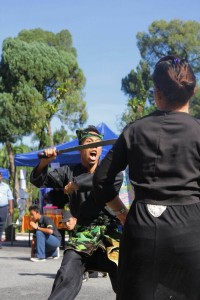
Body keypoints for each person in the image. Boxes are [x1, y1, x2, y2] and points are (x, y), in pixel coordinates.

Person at [93, 55, 200, 300]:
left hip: (140, 226)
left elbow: (101, 181)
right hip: (191, 229)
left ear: (157, 93)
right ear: (192, 92)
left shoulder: (134, 130)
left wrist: (121, 212)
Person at [30, 125, 123, 300]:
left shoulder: (110, 170)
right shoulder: (68, 171)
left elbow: (106, 180)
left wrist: (77, 184)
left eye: (98, 143)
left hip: (111, 235)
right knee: (66, 275)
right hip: (83, 235)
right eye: (89, 143)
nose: (94, 147)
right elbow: (40, 181)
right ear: (81, 148)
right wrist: (45, 162)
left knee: (128, 280)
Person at [0, 171, 14, 249]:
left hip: (4, 208)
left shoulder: (6, 186)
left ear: (1, 177)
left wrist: (11, 208)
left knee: (2, 226)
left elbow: (10, 198)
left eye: (0, 176)